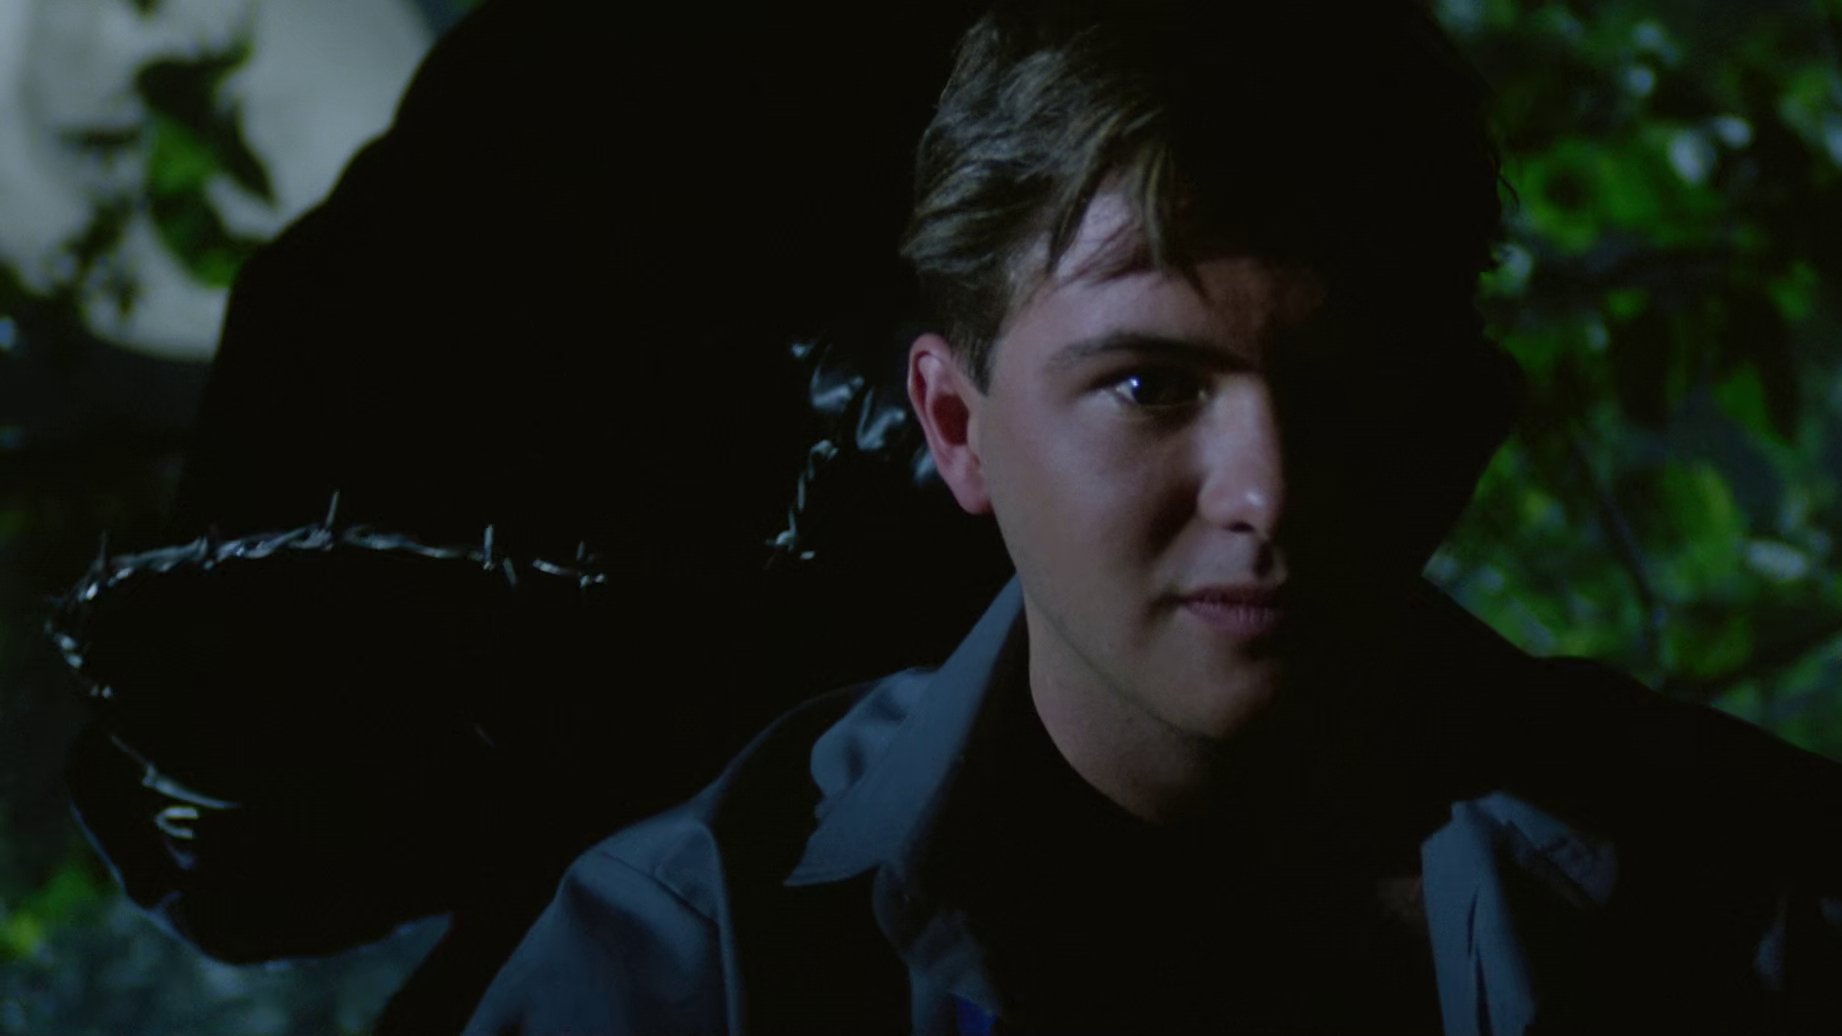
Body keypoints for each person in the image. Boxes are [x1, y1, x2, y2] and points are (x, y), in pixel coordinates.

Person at [464, 1, 1842, 1033]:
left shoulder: (1754, 889)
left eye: (1343, 386)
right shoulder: (690, 966)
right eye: (1148, 385)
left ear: (1461, 428)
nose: (1265, 491)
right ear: (956, 427)